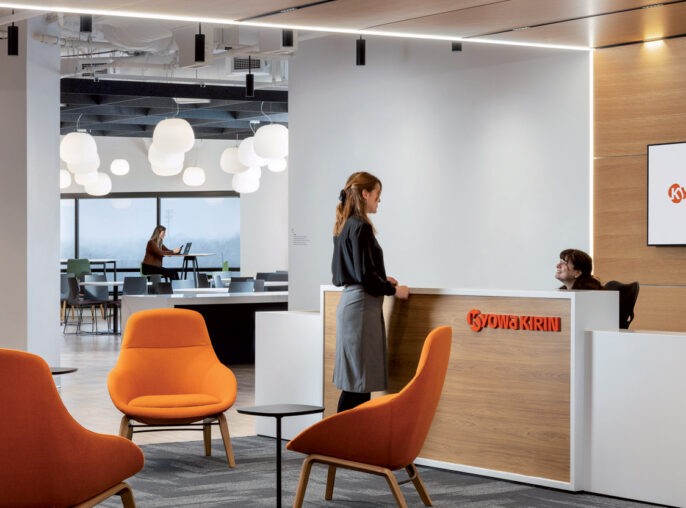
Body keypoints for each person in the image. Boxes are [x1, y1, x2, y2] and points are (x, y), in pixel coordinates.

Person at [331, 171, 410, 413]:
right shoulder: (362, 226)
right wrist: (392, 289)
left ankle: (345, 444)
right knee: (358, 385)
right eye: (377, 195)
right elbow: (364, 276)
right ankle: (344, 444)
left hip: (352, 305)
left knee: (356, 383)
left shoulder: (345, 225)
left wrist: (380, 277)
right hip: (362, 309)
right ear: (365, 194)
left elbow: (343, 273)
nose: (379, 200)